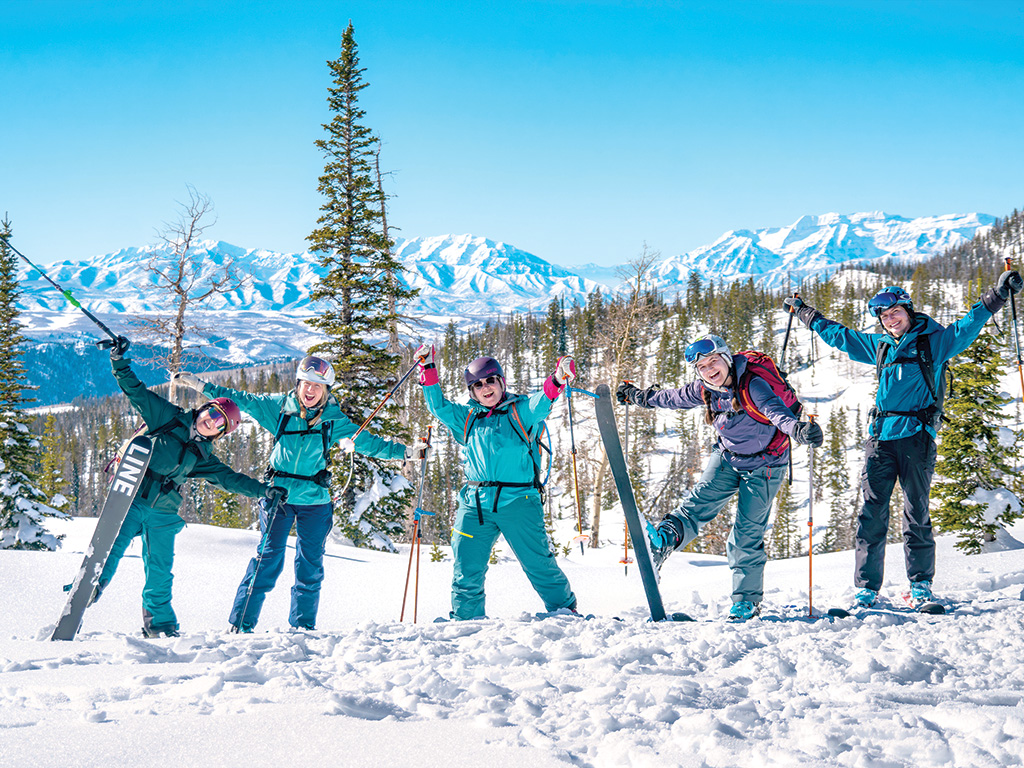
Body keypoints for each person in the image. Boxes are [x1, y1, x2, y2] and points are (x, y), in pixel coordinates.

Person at [783, 269, 1023, 608]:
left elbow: (968, 325)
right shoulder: (880, 346)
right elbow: (841, 336)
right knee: (871, 513)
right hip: (880, 439)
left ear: (908, 311)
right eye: (884, 316)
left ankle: (920, 586)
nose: (890, 319)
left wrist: (997, 295)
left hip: (916, 439)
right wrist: (805, 312)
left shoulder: (934, 342)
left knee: (916, 512)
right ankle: (867, 589)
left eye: (895, 312)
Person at [174, 355, 424, 632]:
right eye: (306, 383)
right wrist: (201, 386)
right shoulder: (279, 410)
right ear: (298, 383)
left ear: (326, 390)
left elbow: (369, 443)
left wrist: (407, 453)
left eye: (317, 386)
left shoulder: (333, 421)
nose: (310, 390)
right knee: (266, 561)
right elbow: (240, 399)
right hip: (278, 496)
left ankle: (302, 629)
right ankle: (241, 625)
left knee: (310, 567)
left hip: (315, 501)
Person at [617, 334, 823, 621]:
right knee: (696, 504)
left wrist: (798, 430)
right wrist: (640, 396)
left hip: (765, 466)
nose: (710, 369)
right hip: (728, 457)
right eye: (702, 367)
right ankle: (662, 542)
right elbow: (672, 397)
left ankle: (746, 602)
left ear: (726, 359)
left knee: (745, 535)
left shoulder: (753, 385)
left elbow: (776, 413)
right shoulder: (705, 389)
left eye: (714, 361)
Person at [101, 337, 278, 638]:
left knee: (160, 571)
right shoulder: (167, 418)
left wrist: (264, 491)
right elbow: (136, 391)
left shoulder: (202, 456)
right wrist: (118, 361)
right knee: (111, 551)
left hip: (164, 513)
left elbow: (230, 479)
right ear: (203, 408)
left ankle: (160, 624)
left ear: (221, 433)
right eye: (212, 412)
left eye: (219, 423)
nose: (211, 421)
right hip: (132, 498)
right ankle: (87, 591)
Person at [414, 345, 578, 620]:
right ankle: (467, 620)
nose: (485, 387)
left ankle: (564, 611)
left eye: (490, 380)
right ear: (472, 391)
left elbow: (543, 400)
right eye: (477, 384)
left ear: (501, 382)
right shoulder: (468, 417)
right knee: (466, 566)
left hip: (519, 502)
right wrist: (428, 368)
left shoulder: (520, 411)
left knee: (537, 563)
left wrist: (558, 377)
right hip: (475, 504)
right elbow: (437, 406)